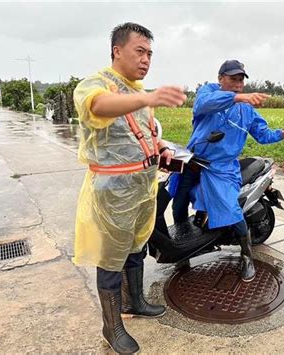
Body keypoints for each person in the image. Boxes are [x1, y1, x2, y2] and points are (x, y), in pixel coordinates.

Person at [73, 22, 186, 354]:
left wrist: (162, 148)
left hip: (142, 187)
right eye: (140, 51)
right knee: (110, 259)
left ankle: (135, 301)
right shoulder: (94, 85)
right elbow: (98, 107)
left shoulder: (137, 91)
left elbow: (144, 132)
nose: (146, 59)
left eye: (150, 53)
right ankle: (112, 327)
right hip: (112, 194)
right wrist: (147, 97)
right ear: (117, 50)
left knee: (136, 248)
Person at [171, 59, 284, 282]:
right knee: (178, 202)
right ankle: (182, 252)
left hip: (223, 168)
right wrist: (238, 97)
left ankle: (247, 254)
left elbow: (262, 135)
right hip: (193, 161)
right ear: (220, 78)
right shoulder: (207, 92)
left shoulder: (246, 110)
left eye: (241, 80)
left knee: (231, 210)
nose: (238, 83)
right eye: (233, 79)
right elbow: (204, 104)